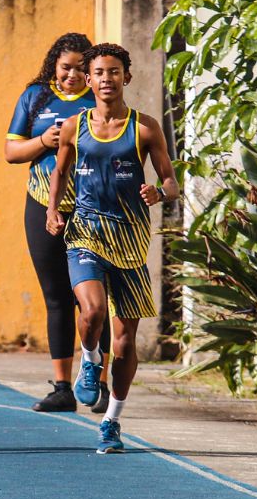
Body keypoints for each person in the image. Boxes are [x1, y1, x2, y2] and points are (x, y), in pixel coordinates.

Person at [46, 42, 178, 454]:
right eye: (100, 73)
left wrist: (159, 191)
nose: (107, 79)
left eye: (114, 72)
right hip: (85, 231)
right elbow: (61, 172)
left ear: (127, 77)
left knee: (123, 346)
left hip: (132, 242)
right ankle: (88, 358)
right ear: (89, 79)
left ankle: (112, 420)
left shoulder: (145, 127)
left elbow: (171, 181)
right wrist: (53, 210)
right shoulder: (73, 126)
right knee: (93, 311)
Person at [5, 33, 112, 414]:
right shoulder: (35, 97)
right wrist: (45, 142)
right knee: (57, 299)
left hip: (90, 209)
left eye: (81, 69)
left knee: (94, 301)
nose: (72, 75)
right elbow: (11, 151)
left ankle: (99, 383)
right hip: (42, 207)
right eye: (66, 67)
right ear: (55, 64)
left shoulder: (98, 98)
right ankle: (63, 387)